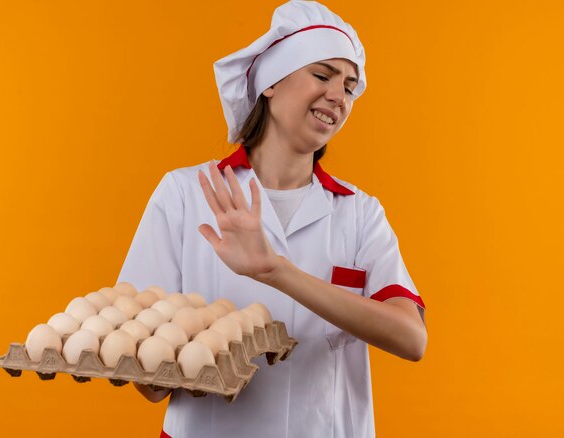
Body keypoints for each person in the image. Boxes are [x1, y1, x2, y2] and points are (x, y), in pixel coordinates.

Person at [117, 1, 427, 437]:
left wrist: (275, 272)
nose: (339, 96)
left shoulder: (359, 212)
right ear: (271, 84)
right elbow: (147, 381)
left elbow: (411, 339)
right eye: (322, 75)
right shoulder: (186, 194)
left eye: (350, 86)